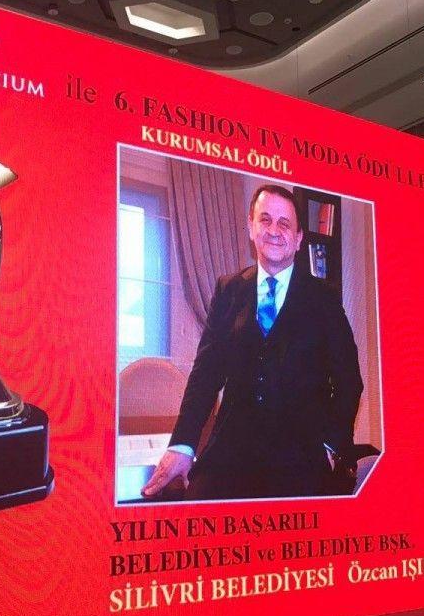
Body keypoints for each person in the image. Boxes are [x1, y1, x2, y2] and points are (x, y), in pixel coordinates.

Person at [141, 184, 363, 501]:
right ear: (251, 227)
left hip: (301, 458)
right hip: (230, 454)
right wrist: (183, 444)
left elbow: (348, 381)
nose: (274, 231)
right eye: (265, 220)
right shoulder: (228, 289)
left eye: (284, 224)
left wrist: (330, 445)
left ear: (299, 238)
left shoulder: (324, 298)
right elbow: (205, 375)